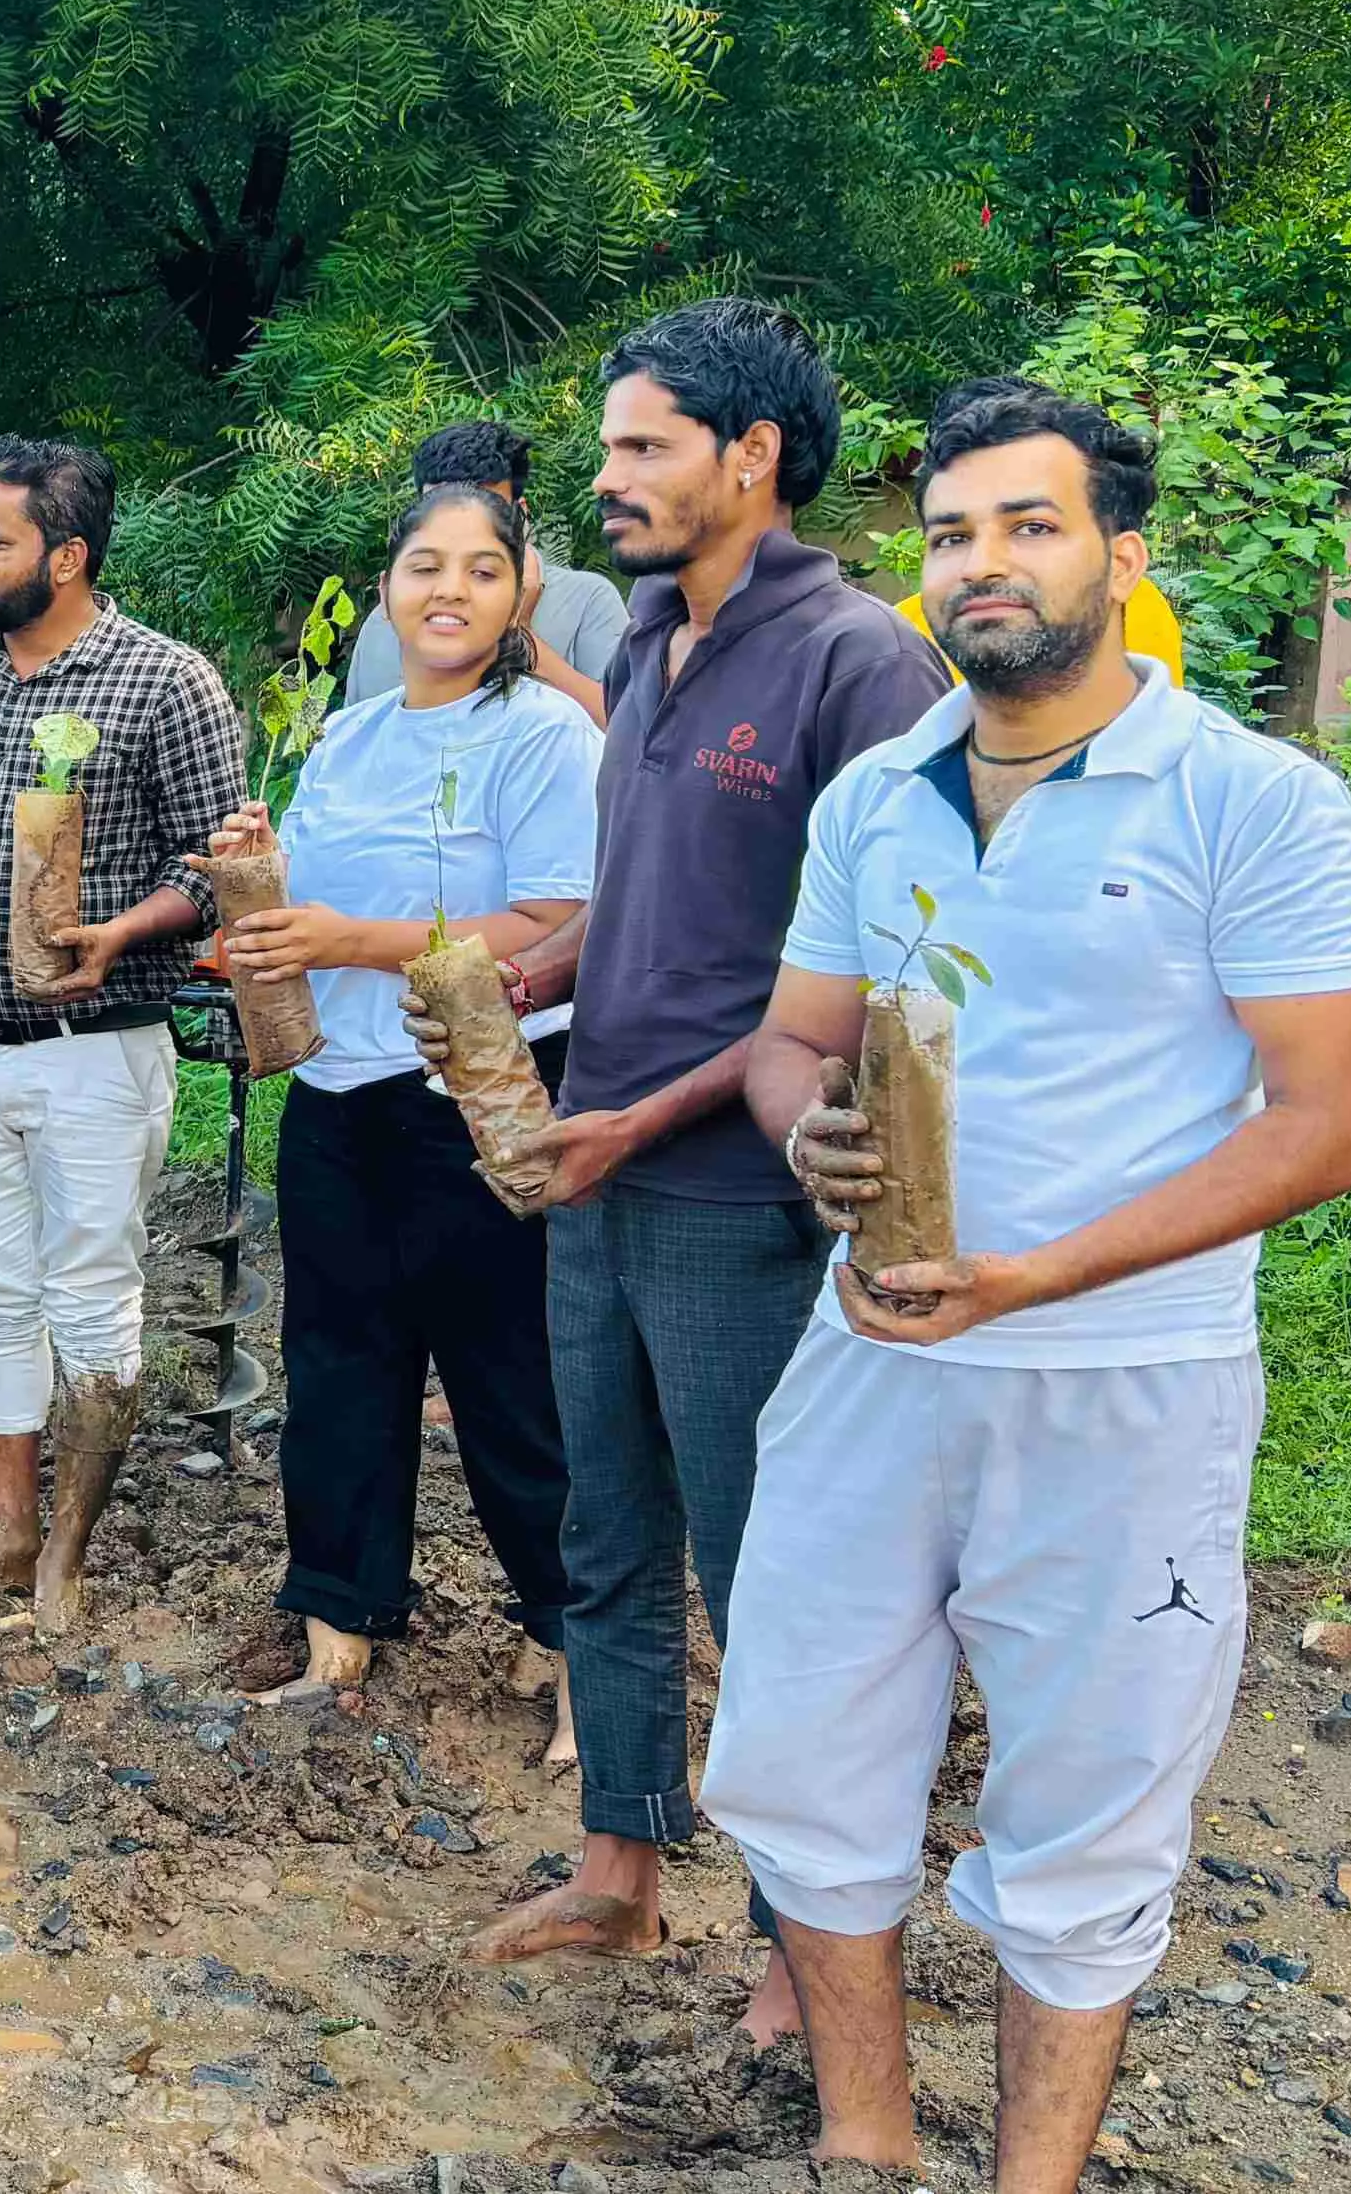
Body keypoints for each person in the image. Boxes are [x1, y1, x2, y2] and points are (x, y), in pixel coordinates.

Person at [718, 384, 1351, 2189]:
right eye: (951, 533)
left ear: (1122, 553)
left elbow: (1336, 1120)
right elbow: (793, 1039)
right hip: (872, 1361)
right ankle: (863, 2142)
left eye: (1029, 524)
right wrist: (802, 1133)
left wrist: (1042, 1275)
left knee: (1091, 1809)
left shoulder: (1254, 800)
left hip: (1126, 1385)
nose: (980, 564)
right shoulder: (877, 796)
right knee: (801, 1752)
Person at [451, 299, 948, 2027]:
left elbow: (870, 983)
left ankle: (810, 1944)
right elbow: (649, 905)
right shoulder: (651, 640)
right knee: (607, 1533)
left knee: (769, 1573)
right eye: (608, 448)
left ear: (753, 457)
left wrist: (647, 1116)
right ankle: (622, 1866)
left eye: (643, 447)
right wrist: (536, 980)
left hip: (742, 1198)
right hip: (593, 1171)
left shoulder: (861, 665)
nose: (608, 480)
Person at [206, 484, 592, 1745]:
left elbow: (554, 926)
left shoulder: (543, 736)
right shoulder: (347, 737)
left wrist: (349, 940)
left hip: (473, 1100)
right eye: (424, 565)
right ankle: (338, 1624)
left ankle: (572, 1650)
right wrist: (255, 881)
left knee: (511, 1384)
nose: (448, 591)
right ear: (385, 587)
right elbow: (305, 912)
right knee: (336, 1372)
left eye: (480, 569)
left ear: (520, 593)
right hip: (337, 1100)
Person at [0, 436, 246, 1637]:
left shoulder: (165, 681)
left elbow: (216, 864)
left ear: (66, 556)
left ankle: (65, 1560)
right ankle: (8, 1527)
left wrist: (122, 929)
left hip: (96, 1045)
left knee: (89, 1294)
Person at [885, 373, 1186, 687]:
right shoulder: (901, 634)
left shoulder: (1134, 603)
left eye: (1033, 529)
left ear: (1122, 563)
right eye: (954, 538)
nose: (981, 566)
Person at [334, 421, 626, 723]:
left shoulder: (587, 599)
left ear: (521, 513)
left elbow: (624, 729)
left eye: (488, 508)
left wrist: (519, 636)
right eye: (441, 508)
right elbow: (358, 734)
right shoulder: (385, 620)